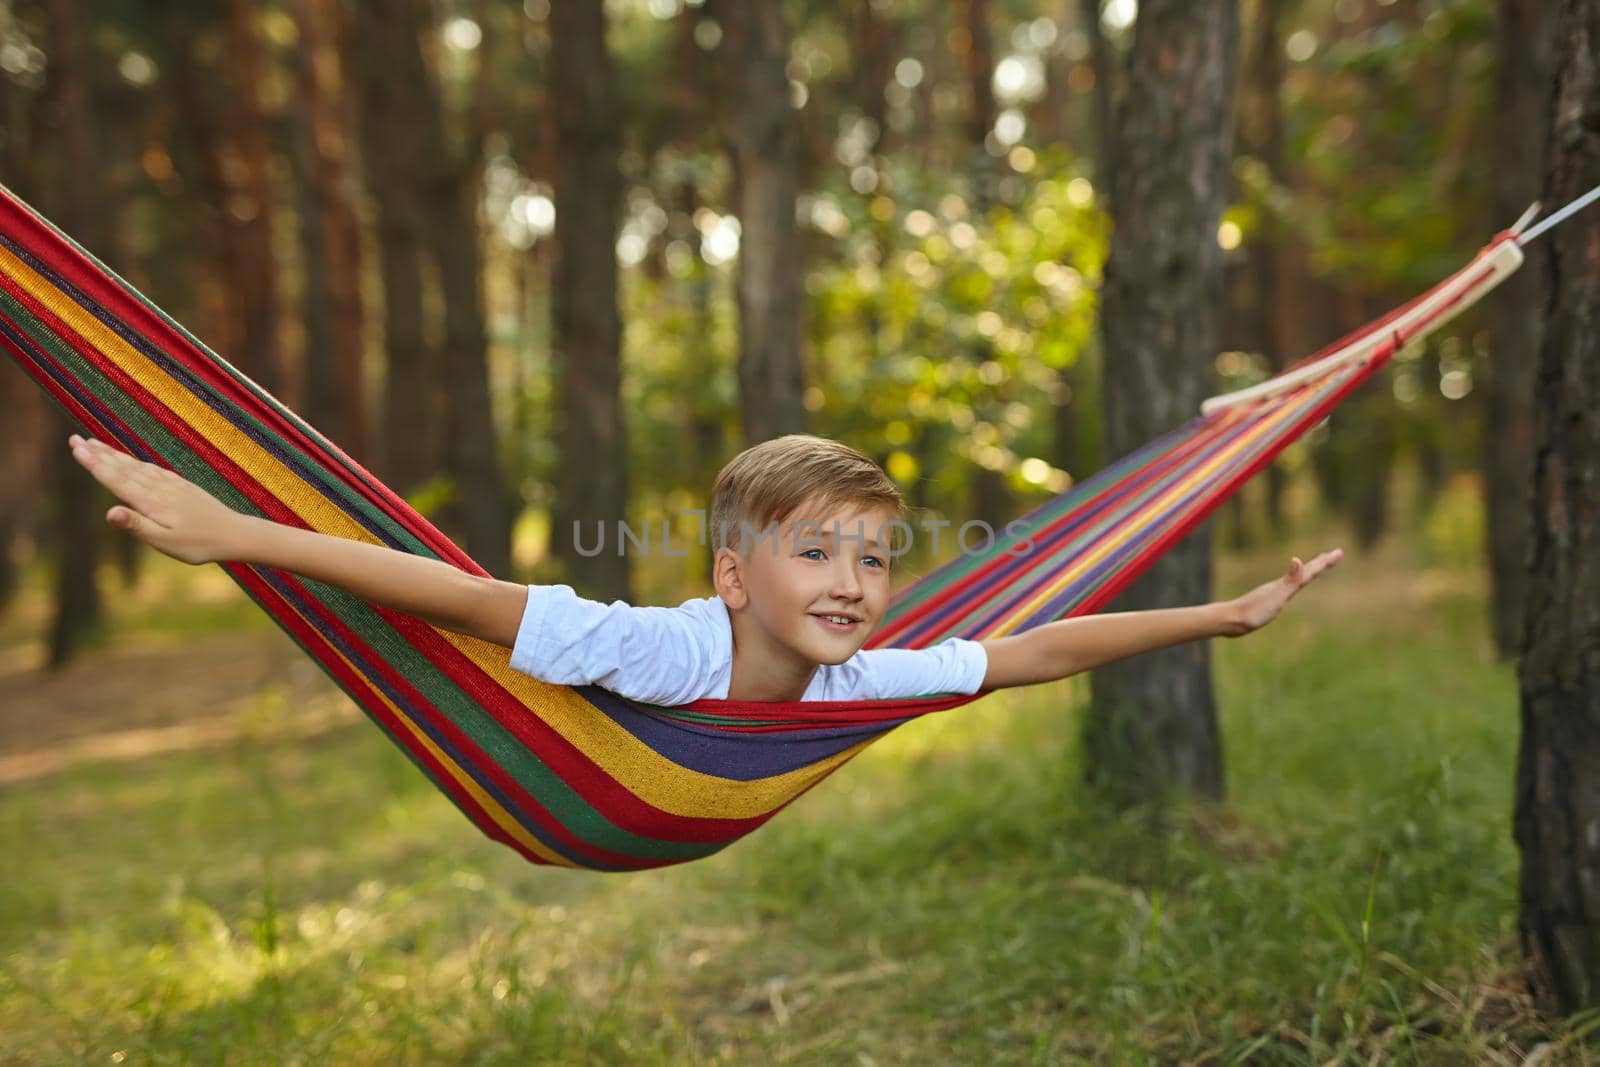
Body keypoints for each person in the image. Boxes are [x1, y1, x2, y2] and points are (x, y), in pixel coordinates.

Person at [65, 431, 1342, 705]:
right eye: (813, 550)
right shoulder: (670, 647)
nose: (850, 579)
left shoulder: (859, 678)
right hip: (581, 792)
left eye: (875, 558)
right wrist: (234, 532)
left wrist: (1227, 613)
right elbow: (461, 596)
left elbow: (1038, 647)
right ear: (734, 576)